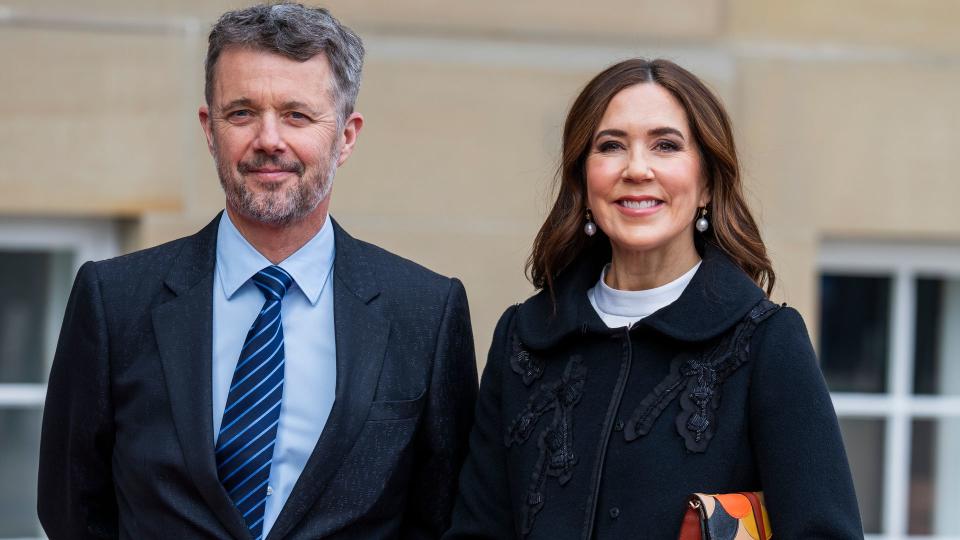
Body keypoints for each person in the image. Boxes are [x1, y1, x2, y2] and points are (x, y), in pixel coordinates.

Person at [38, 4, 477, 539]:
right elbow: (71, 511)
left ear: (346, 136)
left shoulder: (426, 313)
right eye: (242, 113)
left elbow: (444, 517)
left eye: (297, 114)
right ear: (209, 128)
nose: (269, 139)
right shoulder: (114, 301)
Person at [444, 59, 862, 539]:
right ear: (582, 182)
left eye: (665, 145)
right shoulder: (522, 340)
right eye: (611, 146)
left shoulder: (766, 342)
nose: (637, 169)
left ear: (706, 182)